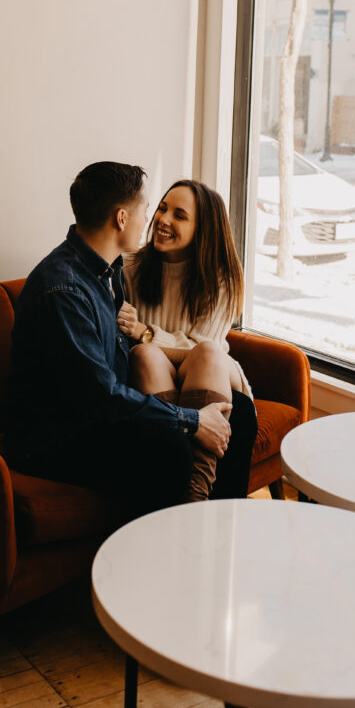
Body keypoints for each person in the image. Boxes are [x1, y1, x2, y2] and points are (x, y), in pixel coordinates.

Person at [4, 162, 254, 519]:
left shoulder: (109, 271)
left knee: (239, 414)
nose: (152, 220)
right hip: (56, 434)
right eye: (148, 209)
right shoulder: (64, 289)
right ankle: (174, 539)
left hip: (95, 411)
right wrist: (191, 420)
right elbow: (99, 395)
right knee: (169, 447)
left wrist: (186, 413)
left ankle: (222, 531)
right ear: (122, 218)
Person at [120, 179, 256, 500]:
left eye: (180, 216)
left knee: (207, 352)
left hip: (214, 382)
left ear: (203, 229)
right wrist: (144, 342)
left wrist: (145, 332)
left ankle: (196, 492)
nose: (163, 220)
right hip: (161, 386)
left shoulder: (221, 278)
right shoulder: (129, 270)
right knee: (144, 356)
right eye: (162, 209)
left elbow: (198, 349)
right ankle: (174, 473)